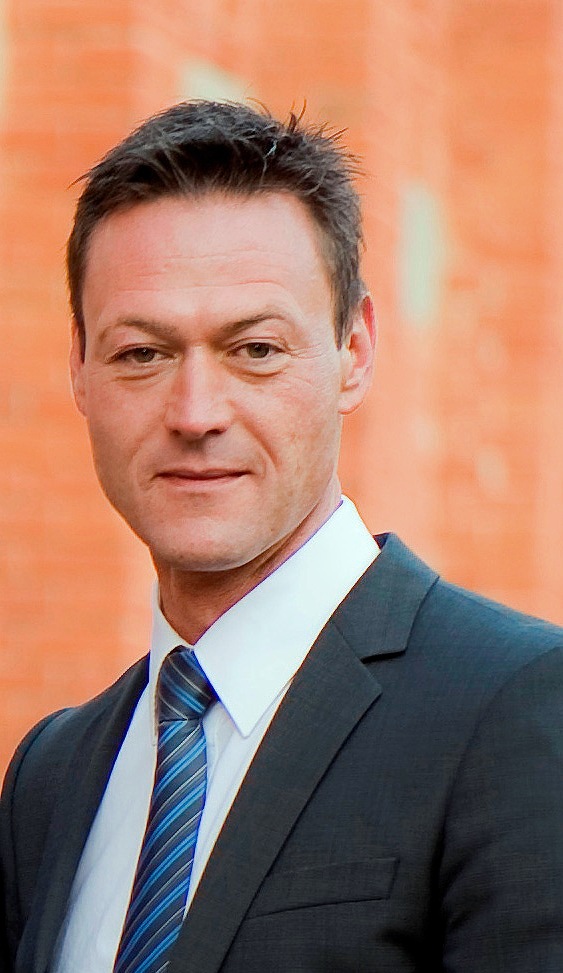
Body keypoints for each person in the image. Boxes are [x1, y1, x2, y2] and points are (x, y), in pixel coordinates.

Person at [1, 101, 562, 973]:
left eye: (255, 349)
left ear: (354, 350)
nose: (195, 413)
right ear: (79, 366)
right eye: (142, 353)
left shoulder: (515, 706)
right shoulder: (49, 776)